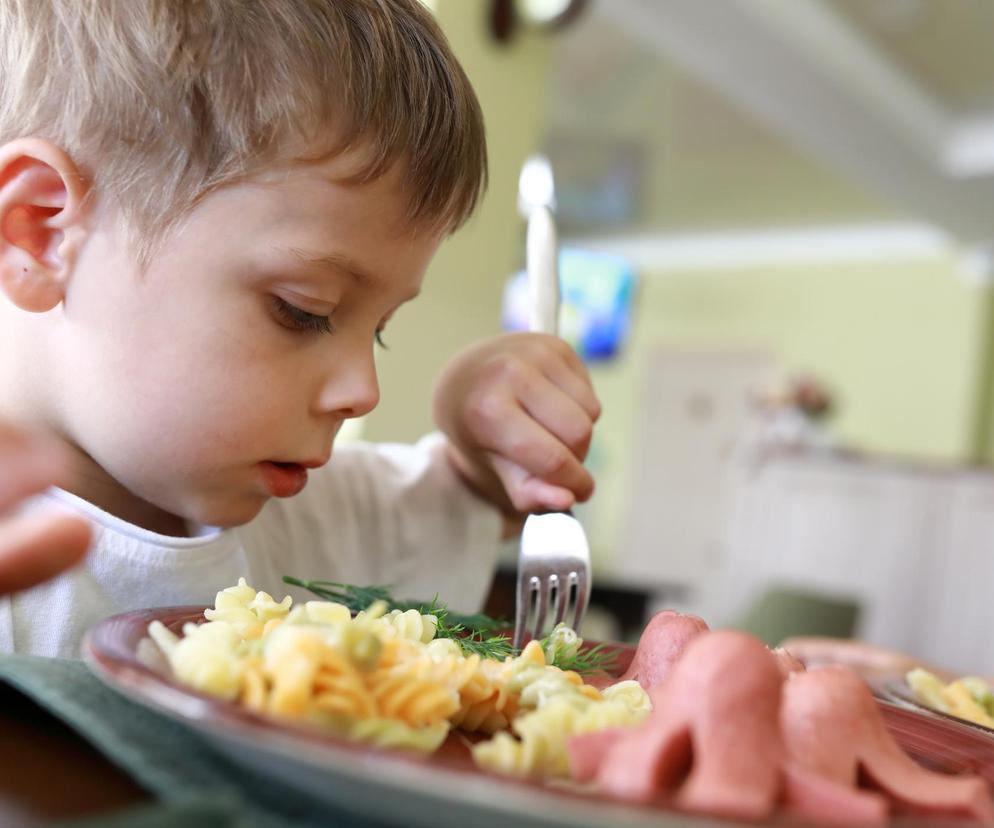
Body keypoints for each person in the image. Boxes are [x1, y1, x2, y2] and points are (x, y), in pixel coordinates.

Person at [0, 0, 600, 658]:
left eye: (379, 330)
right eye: (303, 308)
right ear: (44, 231)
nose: (361, 391)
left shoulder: (312, 522)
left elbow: (478, 500)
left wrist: (480, 421)